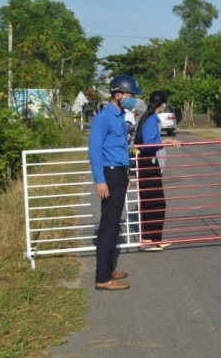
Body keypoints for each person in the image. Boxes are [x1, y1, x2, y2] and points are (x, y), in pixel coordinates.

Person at [88, 75, 142, 291]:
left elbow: (119, 149)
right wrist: (100, 181)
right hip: (108, 175)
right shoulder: (103, 117)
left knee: (113, 226)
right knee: (109, 227)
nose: (132, 99)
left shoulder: (120, 115)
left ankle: (108, 269)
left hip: (118, 174)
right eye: (130, 95)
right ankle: (102, 278)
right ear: (118, 94)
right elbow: (94, 151)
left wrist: (125, 175)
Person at [133, 91, 182, 251]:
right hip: (148, 162)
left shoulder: (146, 118)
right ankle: (151, 239)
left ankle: (151, 238)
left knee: (151, 201)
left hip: (145, 162)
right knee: (156, 202)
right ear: (162, 105)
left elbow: (150, 140)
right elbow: (148, 144)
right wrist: (163, 144)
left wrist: (164, 140)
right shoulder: (151, 120)